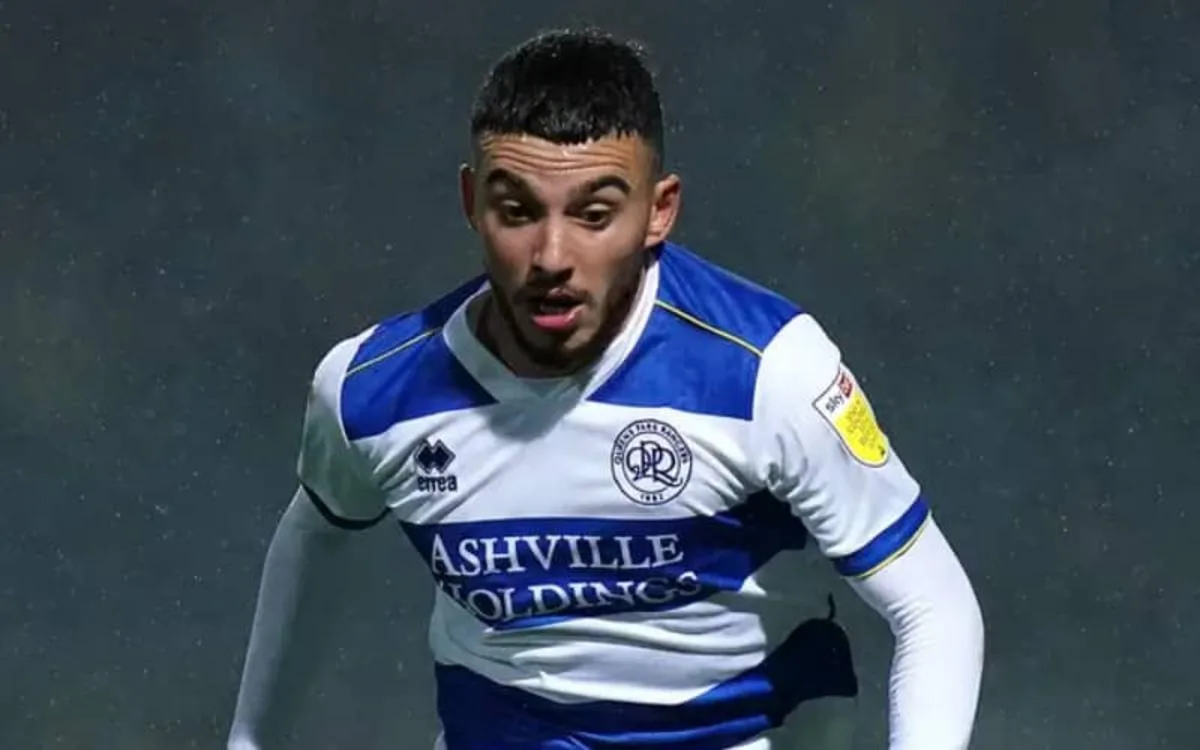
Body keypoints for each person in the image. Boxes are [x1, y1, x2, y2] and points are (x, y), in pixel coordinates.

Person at [226, 27, 985, 750]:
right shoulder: (371, 392)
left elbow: (935, 607)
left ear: (658, 212)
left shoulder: (770, 372)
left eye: (594, 214)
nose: (551, 255)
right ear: (471, 202)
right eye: (517, 211)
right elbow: (315, 532)